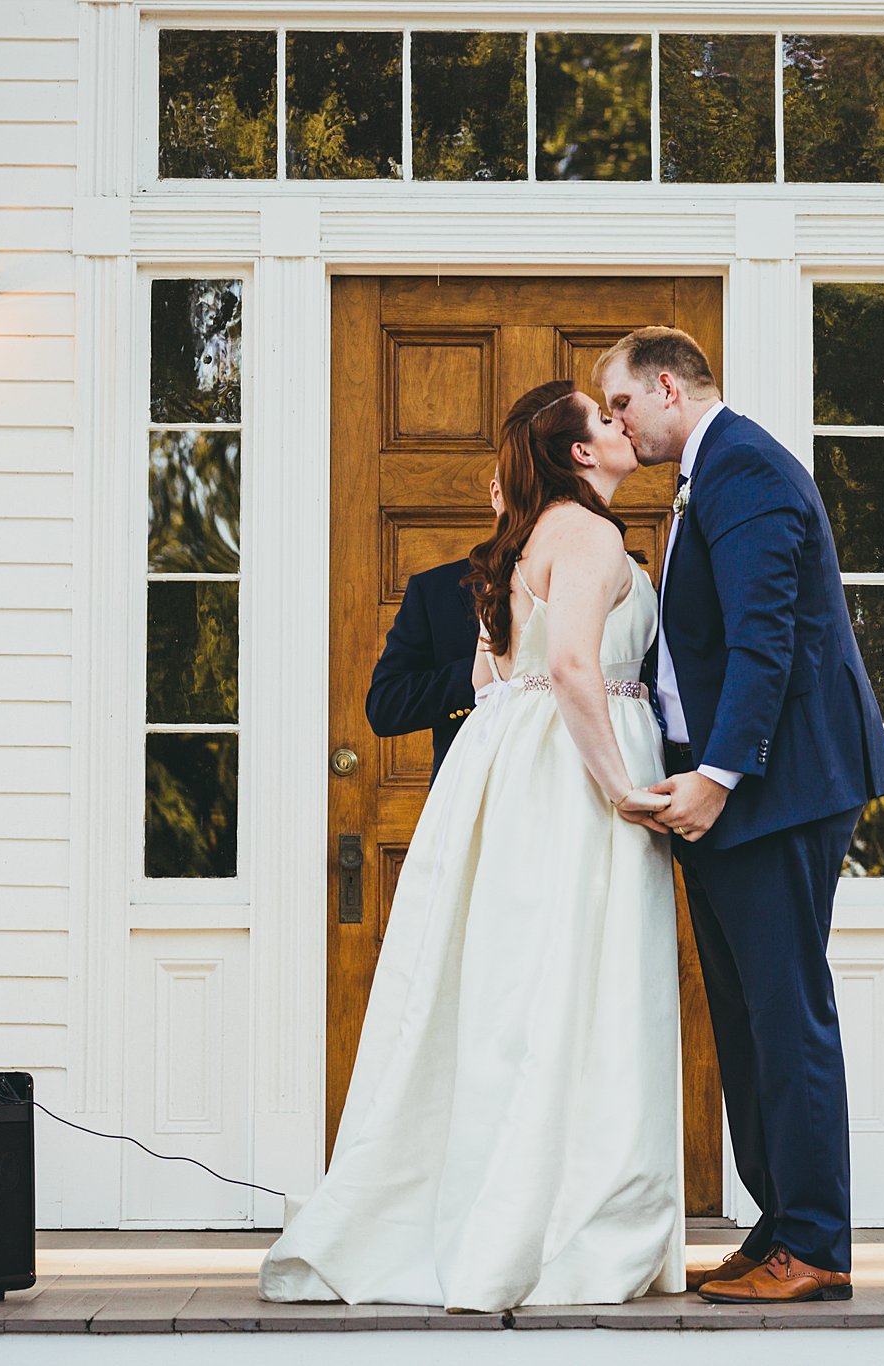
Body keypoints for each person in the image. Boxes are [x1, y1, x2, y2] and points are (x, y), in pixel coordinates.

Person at [258, 379, 684, 1313]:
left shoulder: (534, 543)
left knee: (521, 998)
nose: (622, 426)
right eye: (603, 420)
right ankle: (559, 1219)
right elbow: (571, 664)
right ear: (578, 453)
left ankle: (502, 1207)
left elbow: (514, 670)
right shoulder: (587, 535)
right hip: (573, 786)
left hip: (524, 771)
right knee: (578, 989)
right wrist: (619, 783)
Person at [597, 327, 884, 1306]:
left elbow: (765, 642)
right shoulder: (709, 473)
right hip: (733, 799)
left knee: (784, 1013)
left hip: (778, 793)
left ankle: (812, 1242)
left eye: (619, 406)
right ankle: (774, 1226)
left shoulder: (745, 470)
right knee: (744, 1021)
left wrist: (717, 775)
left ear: (664, 384)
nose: (616, 425)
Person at [364, 479, 508, 783]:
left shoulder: (604, 579)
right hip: (466, 796)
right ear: (497, 494)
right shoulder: (435, 590)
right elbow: (385, 707)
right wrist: (485, 670)